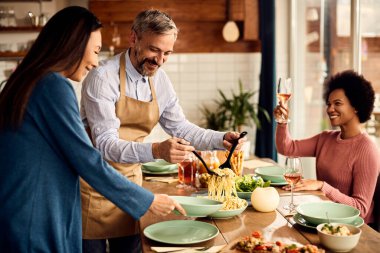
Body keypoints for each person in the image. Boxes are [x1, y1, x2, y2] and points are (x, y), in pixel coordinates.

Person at [0, 6, 185, 253]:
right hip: (36, 218)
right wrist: (147, 200)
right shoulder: (52, 86)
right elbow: (87, 159)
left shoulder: (28, 81)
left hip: (20, 213)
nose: (96, 62)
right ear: (73, 44)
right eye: (96, 51)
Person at [80, 9, 245, 252]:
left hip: (131, 187)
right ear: (134, 38)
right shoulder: (102, 77)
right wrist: (157, 149)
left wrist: (220, 139)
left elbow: (180, 127)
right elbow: (106, 145)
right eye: (154, 50)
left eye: (167, 53)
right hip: (95, 187)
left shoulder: (160, 80)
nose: (159, 60)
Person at [274, 70, 380, 224]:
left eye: (338, 103)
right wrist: (282, 121)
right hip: (323, 218)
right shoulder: (326, 138)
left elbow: (361, 210)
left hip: (352, 229)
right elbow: (287, 148)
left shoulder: (367, 149)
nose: (330, 109)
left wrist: (323, 186)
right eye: (329, 104)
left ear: (356, 106)